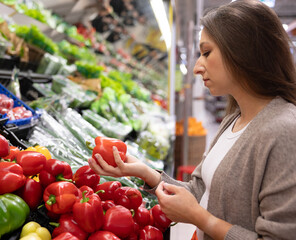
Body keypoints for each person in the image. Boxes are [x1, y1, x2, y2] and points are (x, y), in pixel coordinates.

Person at [88, 0, 296, 239]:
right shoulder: (234, 119)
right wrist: (145, 172)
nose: (197, 67)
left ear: (243, 52)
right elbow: (199, 191)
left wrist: (199, 217)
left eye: (207, 53)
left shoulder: (285, 131)